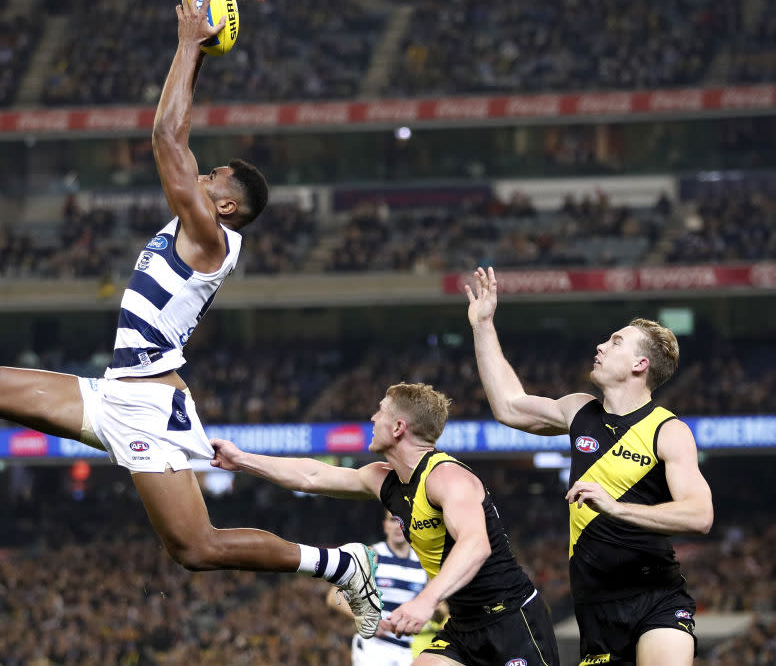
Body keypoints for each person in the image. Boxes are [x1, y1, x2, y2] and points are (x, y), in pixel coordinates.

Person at [0, 0, 383, 640]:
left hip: (149, 406)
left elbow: (167, 136)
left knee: (195, 549)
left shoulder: (209, 236)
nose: (199, 177)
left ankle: (341, 565)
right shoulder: (199, 220)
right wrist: (195, 58)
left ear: (225, 206)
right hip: (116, 393)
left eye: (211, 179)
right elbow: (179, 140)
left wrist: (186, 46)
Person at [465, 266, 714, 666]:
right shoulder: (579, 409)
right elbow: (509, 405)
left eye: (616, 343)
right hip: (595, 609)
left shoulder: (667, 430)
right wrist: (483, 326)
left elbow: (701, 515)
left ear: (640, 365)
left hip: (656, 597)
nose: (600, 345)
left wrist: (615, 507)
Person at [212, 383, 561, 666]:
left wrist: (425, 601)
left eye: (380, 411)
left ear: (398, 427)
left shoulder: (448, 478)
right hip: (463, 624)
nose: (372, 417)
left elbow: (476, 545)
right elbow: (312, 475)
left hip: (512, 620)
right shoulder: (384, 479)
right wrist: (242, 460)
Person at [326, 509, 447, 666]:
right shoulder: (373, 555)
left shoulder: (423, 564)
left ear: (412, 525)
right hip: (373, 648)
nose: (398, 526)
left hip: (406, 651)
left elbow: (440, 614)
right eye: (392, 520)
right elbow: (333, 596)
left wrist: (434, 609)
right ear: (385, 526)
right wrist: (364, 618)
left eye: (402, 520)